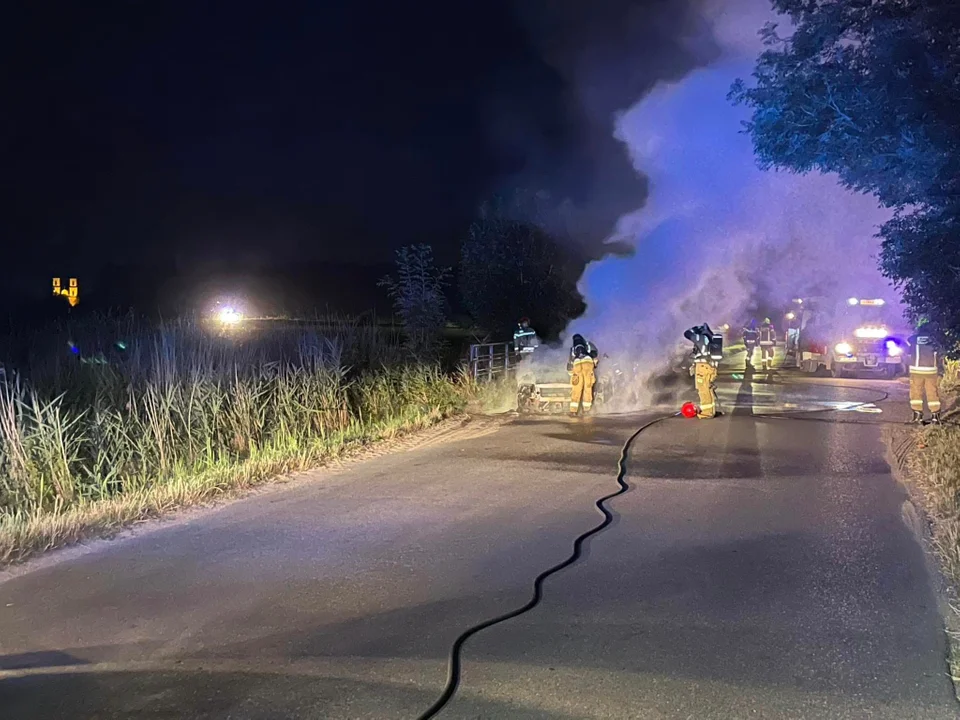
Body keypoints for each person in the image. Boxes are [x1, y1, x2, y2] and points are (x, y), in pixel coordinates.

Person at [906, 321, 942, 424]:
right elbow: (940, 353)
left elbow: (908, 342)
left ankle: (917, 417)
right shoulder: (934, 340)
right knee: (932, 393)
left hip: (916, 371)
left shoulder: (914, 339)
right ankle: (935, 417)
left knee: (916, 394)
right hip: (931, 372)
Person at [684, 324, 721, 419]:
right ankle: (710, 411)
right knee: (707, 389)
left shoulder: (701, 338)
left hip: (703, 367)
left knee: (703, 390)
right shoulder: (709, 338)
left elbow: (687, 333)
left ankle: (707, 413)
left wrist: (696, 330)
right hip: (708, 366)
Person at [567, 333, 598, 416]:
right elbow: (595, 354)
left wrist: (571, 374)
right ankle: (586, 410)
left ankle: (573, 411)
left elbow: (570, 363)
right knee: (587, 387)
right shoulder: (588, 344)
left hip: (577, 364)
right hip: (588, 363)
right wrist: (594, 365)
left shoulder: (573, 349)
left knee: (576, 388)